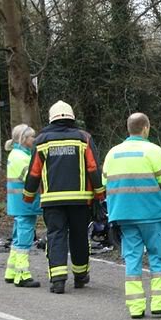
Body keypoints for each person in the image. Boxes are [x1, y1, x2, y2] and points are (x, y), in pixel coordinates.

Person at [101, 113, 161, 319]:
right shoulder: (153, 151)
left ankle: (135, 307)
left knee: (133, 259)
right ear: (145, 128)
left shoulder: (113, 153)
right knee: (158, 257)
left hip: (124, 215)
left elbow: (104, 182)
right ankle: (160, 304)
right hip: (151, 214)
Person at [23, 100, 105, 294]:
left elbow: (34, 172)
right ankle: (80, 275)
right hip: (80, 200)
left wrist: (28, 195)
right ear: (72, 117)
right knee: (79, 237)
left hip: (52, 201)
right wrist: (100, 194)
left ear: (51, 118)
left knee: (56, 236)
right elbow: (93, 168)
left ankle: (58, 280)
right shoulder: (83, 138)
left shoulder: (42, 140)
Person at [4, 124, 41, 288]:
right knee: (24, 239)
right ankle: (22, 274)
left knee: (18, 237)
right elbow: (31, 178)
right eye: (31, 137)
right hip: (25, 203)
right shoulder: (21, 157)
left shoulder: (17, 154)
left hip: (19, 203)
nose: (34, 139)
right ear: (23, 139)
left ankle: (11, 271)